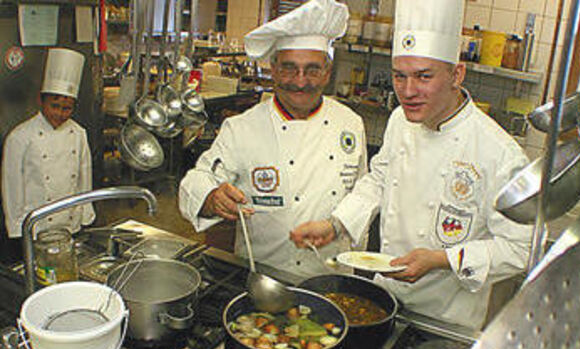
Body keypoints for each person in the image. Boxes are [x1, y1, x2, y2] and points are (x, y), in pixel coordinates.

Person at [290, 0, 533, 330]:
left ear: (456, 74)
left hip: (445, 319)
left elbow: (519, 249)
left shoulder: (500, 153)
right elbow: (379, 179)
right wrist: (336, 225)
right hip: (385, 299)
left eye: (423, 76)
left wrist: (441, 259)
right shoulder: (399, 122)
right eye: (399, 76)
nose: (408, 91)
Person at [179, 0, 367, 278]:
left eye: (312, 70)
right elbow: (197, 179)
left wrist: (339, 225)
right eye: (289, 68)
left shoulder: (350, 123)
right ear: (274, 70)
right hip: (263, 278)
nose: (300, 81)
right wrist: (211, 197)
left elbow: (365, 194)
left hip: (332, 280)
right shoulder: (242, 128)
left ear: (327, 72)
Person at [2, 48, 94, 241]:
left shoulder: (78, 133)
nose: (60, 114)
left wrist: (85, 214)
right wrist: (18, 228)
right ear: (41, 101)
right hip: (36, 226)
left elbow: (84, 179)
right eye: (54, 106)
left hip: (71, 224)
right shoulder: (20, 137)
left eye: (67, 108)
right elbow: (12, 188)